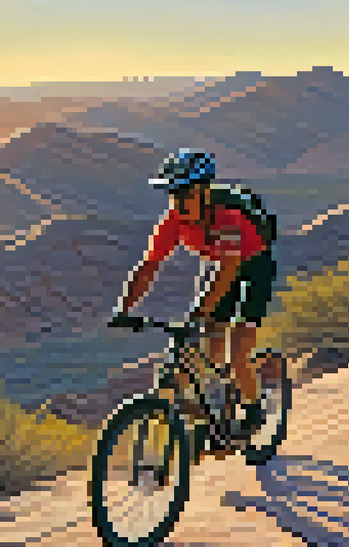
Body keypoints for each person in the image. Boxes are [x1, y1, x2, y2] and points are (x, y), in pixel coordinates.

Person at [114, 149, 276, 439]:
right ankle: (210, 415)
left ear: (203, 191)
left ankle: (253, 408)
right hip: (221, 263)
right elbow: (149, 266)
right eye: (173, 194)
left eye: (184, 194)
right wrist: (124, 309)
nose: (177, 201)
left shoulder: (228, 216)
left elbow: (229, 271)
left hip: (254, 267)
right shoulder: (174, 221)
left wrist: (198, 315)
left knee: (238, 351)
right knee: (205, 350)